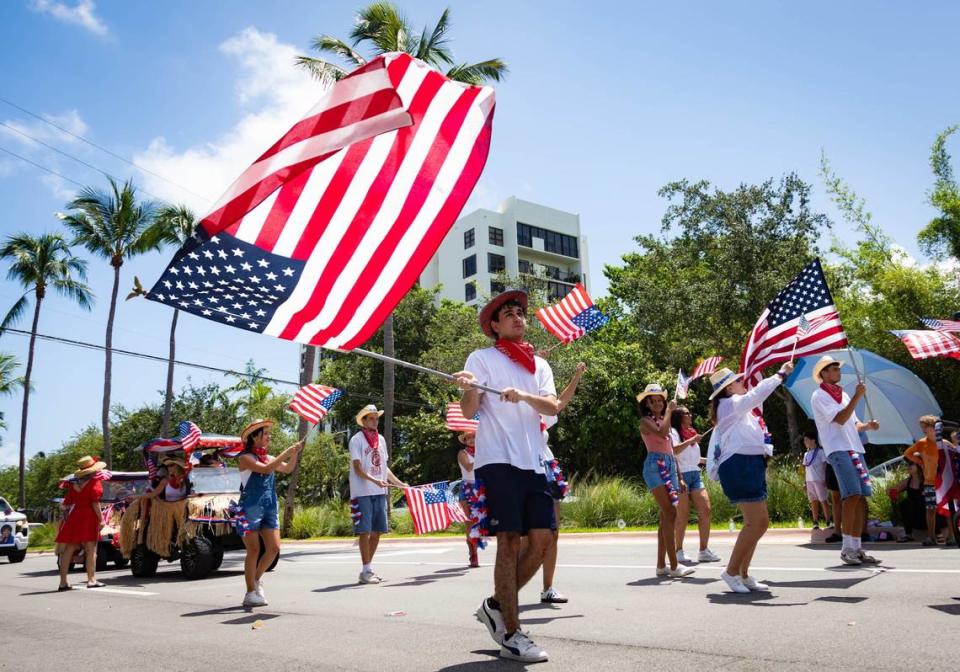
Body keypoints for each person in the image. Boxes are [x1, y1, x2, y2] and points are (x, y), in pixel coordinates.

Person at [454, 289, 559, 663]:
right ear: (494, 326)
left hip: (533, 461)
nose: (517, 316)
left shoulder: (538, 366)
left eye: (520, 312)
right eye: (509, 314)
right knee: (509, 542)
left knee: (544, 540)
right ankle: (512, 633)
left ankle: (497, 605)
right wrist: (468, 387)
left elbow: (553, 405)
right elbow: (470, 409)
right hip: (497, 460)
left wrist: (524, 396)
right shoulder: (480, 359)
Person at [707, 363, 792, 593]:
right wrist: (780, 374)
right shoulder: (729, 405)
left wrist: (763, 372)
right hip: (738, 466)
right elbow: (756, 395)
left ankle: (743, 574)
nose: (742, 382)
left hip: (749, 465)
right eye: (737, 381)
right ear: (728, 389)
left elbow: (756, 399)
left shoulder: (738, 408)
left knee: (756, 523)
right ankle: (731, 571)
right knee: (758, 522)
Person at [809, 356, 880, 566]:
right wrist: (858, 397)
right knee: (851, 496)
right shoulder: (819, 395)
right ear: (823, 374)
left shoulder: (844, 394)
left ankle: (857, 548)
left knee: (860, 498)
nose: (838, 371)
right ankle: (847, 548)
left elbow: (853, 424)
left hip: (855, 448)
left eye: (837, 368)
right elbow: (839, 419)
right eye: (832, 368)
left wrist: (868, 426)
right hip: (838, 450)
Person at [237, 419, 303, 608]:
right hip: (249, 508)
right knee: (254, 550)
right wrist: (287, 452)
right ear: (254, 437)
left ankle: (256, 581)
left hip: (269, 507)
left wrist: (295, 454)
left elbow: (288, 469)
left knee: (273, 549)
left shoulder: (269, 457)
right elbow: (266, 469)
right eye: (265, 433)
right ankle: (250, 593)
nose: (269, 436)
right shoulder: (245, 457)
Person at [536, 361, 587, 604]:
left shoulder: (541, 410)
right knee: (523, 537)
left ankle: (548, 587)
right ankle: (506, 591)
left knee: (553, 532)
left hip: (545, 467)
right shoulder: (511, 405)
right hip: (520, 469)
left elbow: (559, 403)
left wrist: (576, 376)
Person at [349, 404, 408, 585]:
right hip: (362, 492)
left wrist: (400, 483)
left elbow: (384, 468)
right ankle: (366, 570)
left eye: (376, 418)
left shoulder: (380, 440)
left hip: (380, 491)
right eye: (371, 418)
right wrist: (375, 481)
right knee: (364, 532)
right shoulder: (356, 440)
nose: (375, 421)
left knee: (377, 532)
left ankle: (368, 569)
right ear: (364, 421)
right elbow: (357, 468)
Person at [670, 406, 720, 564]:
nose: (690, 415)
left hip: (695, 474)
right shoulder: (674, 432)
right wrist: (692, 441)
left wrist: (712, 461)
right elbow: (674, 451)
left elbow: (695, 459)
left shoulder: (691, 432)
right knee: (682, 516)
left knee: (705, 510)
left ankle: (703, 551)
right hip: (680, 475)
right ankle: (678, 551)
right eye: (686, 413)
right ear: (678, 417)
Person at [56, 455, 107, 591]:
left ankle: (63, 582)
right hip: (89, 516)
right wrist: (101, 519)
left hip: (75, 516)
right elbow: (95, 503)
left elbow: (67, 503)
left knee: (69, 549)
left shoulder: (73, 484)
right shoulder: (94, 483)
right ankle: (91, 580)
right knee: (91, 549)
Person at [902, 416, 944, 546]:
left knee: (947, 509)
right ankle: (931, 537)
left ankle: (952, 536)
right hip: (929, 482)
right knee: (930, 509)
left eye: (925, 427)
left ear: (934, 427)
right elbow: (907, 453)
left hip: (943, 482)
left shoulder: (943, 443)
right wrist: (920, 462)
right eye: (922, 427)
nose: (923, 430)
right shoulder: (922, 443)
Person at [892, 460, 946, 542]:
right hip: (916, 517)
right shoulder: (907, 481)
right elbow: (893, 490)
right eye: (908, 464)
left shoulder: (928, 480)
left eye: (911, 464)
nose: (908, 466)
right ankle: (908, 534)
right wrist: (892, 493)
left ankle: (938, 533)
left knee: (929, 501)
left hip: (931, 514)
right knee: (905, 503)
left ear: (919, 466)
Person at [456, 429, 479, 568]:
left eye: (474, 437)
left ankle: (475, 549)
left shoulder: (482, 452)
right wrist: (482, 456)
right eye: (468, 438)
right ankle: (473, 554)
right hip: (466, 488)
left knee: (480, 523)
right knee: (470, 522)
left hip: (480, 489)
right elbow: (469, 467)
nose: (471, 440)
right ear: (464, 441)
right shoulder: (462, 454)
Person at [802, 431, 831, 530]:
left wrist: (826, 479)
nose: (805, 442)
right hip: (809, 481)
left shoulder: (820, 452)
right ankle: (815, 522)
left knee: (823, 500)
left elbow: (825, 466)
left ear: (813, 440)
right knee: (813, 501)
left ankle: (829, 521)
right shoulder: (806, 454)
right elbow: (806, 469)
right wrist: (805, 482)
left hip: (820, 480)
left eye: (806, 440)